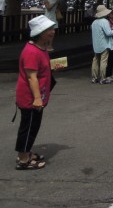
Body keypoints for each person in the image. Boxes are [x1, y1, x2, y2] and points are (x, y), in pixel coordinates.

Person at [14, 15, 63, 170]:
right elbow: (31, 77)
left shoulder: (41, 48)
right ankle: (23, 159)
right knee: (28, 127)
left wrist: (53, 67)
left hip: (38, 96)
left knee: (33, 126)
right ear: (41, 33)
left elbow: (39, 69)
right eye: (49, 30)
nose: (52, 32)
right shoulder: (31, 52)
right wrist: (36, 98)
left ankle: (26, 152)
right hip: (30, 97)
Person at [91, 5, 113, 84]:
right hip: (104, 44)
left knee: (95, 60)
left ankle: (94, 77)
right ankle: (103, 78)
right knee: (103, 61)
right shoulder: (104, 21)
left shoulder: (94, 22)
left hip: (96, 44)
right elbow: (108, 33)